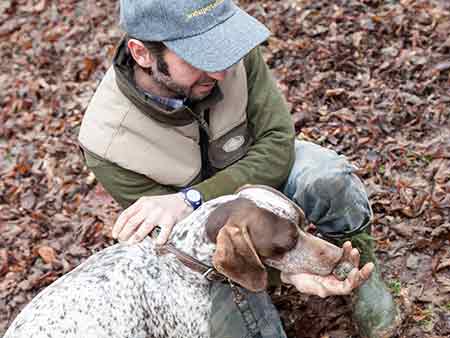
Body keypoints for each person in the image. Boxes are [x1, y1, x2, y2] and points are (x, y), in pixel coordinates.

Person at [78, 1, 398, 337]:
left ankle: (358, 265)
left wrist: (190, 199)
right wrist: (284, 273)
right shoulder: (107, 143)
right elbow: (176, 249)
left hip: (268, 184)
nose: (219, 72)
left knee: (326, 177)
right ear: (142, 54)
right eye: (198, 57)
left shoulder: (230, 53)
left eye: (219, 48)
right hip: (209, 249)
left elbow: (277, 143)